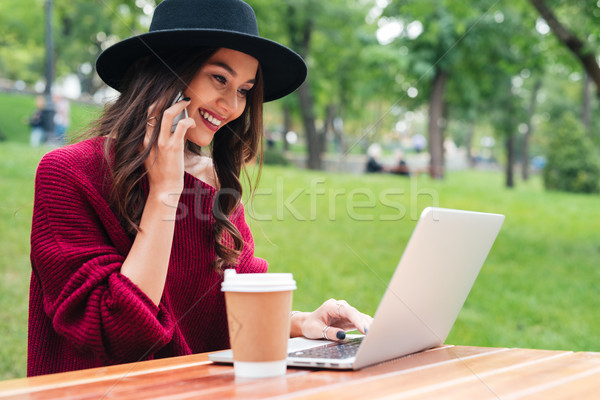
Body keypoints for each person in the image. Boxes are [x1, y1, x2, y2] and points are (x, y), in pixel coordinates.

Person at [28, 0, 372, 377]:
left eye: (244, 89)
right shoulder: (69, 173)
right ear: (166, 71)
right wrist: (164, 192)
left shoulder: (217, 186)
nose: (231, 105)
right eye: (219, 79)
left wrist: (303, 323)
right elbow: (118, 333)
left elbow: (231, 316)